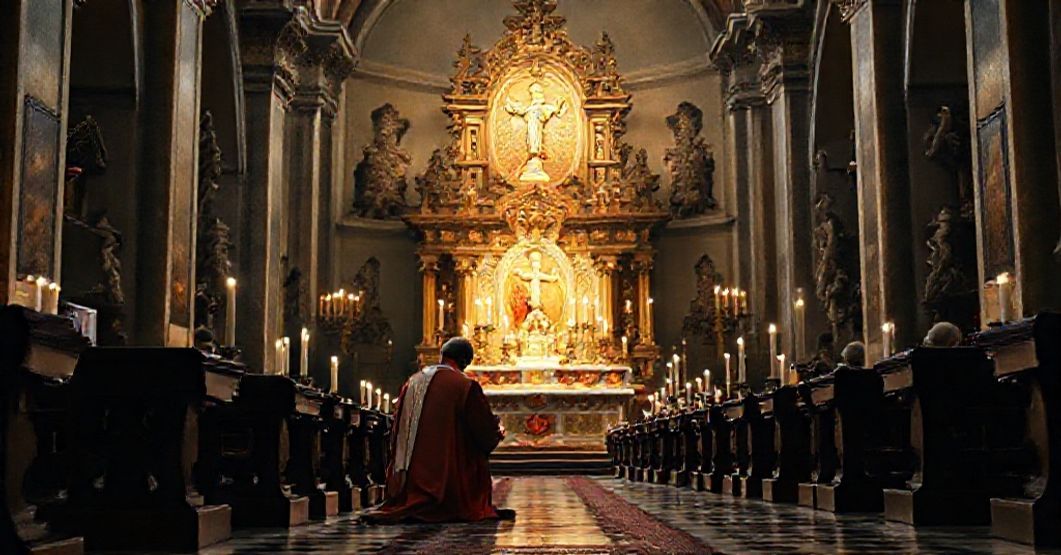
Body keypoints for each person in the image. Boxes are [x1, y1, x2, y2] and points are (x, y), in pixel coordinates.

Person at [362, 337, 513, 523]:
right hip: (447, 480)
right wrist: (497, 430)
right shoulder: (464, 385)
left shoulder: (412, 382)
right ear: (465, 361)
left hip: (408, 480)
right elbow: (482, 430)